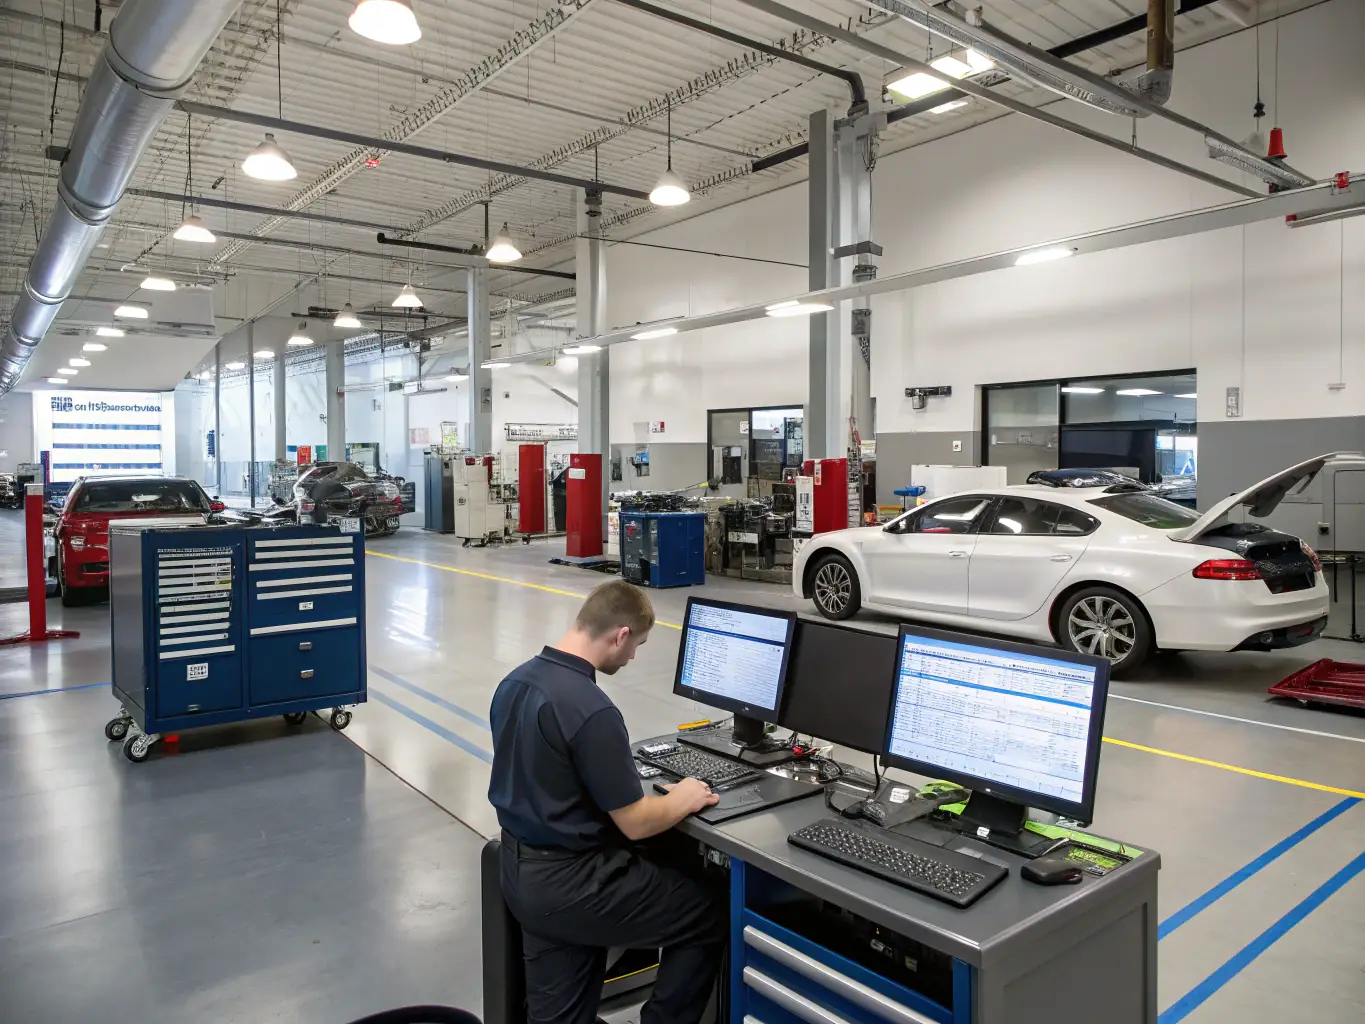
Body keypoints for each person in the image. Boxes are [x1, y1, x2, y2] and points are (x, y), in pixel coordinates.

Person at [489, 580, 726, 1024]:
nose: (634, 656)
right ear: (620, 635)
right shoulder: (591, 708)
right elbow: (636, 822)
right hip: (574, 882)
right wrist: (685, 796)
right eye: (637, 644)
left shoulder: (515, 682)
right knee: (708, 914)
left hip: (521, 876)